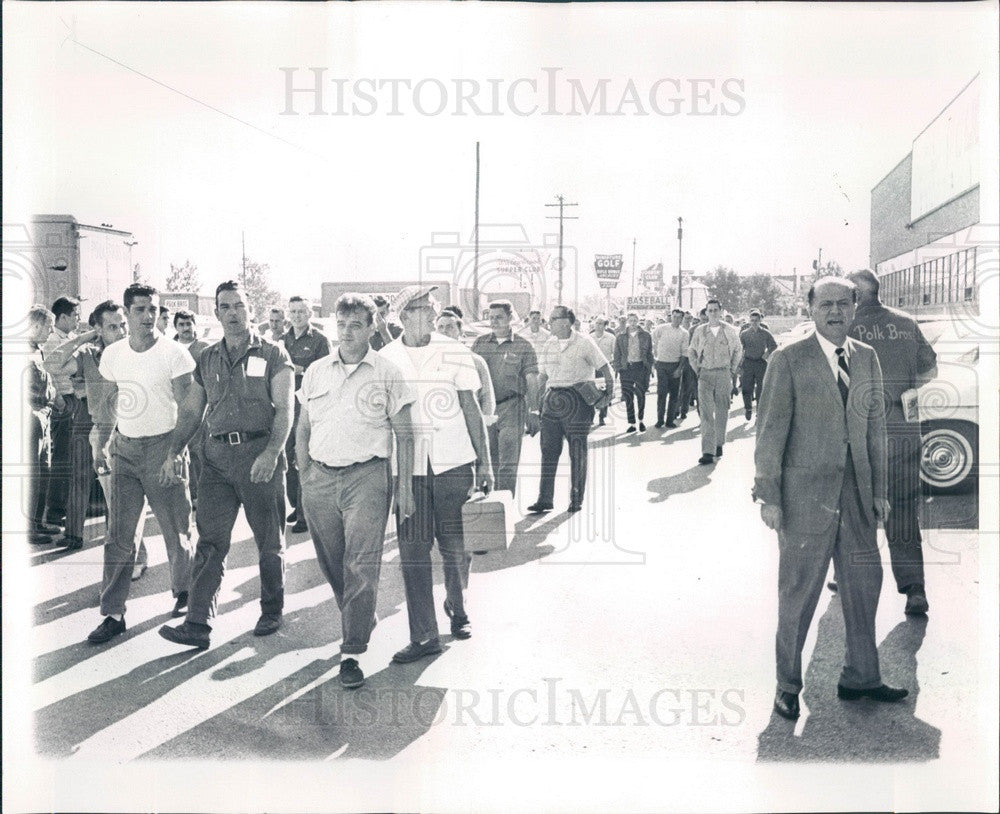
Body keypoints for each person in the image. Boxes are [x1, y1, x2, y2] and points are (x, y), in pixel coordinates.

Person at [755, 276, 906, 722]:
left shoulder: (867, 358)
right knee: (798, 595)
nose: (835, 312)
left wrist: (878, 492)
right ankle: (786, 686)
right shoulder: (788, 359)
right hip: (804, 500)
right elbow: (769, 436)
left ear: (855, 308)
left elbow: (875, 430)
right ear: (811, 309)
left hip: (857, 496)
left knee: (863, 588)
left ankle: (861, 676)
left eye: (843, 304)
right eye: (826, 305)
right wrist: (769, 496)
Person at [159, 280, 294, 649]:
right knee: (211, 542)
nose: (233, 313)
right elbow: (191, 408)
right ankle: (198, 622)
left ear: (250, 310)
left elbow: (285, 409)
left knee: (268, 540)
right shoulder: (207, 358)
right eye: (225, 307)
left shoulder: (274, 354)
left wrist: (272, 453)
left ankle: (271, 609)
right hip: (216, 461)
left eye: (239, 306)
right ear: (216, 313)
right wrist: (175, 449)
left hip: (258, 457)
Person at [296, 293, 416, 688]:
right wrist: (304, 471)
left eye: (355, 326)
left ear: (370, 328)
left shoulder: (387, 372)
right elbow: (303, 426)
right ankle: (360, 614)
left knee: (361, 565)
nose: (347, 333)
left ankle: (352, 651)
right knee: (333, 562)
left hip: (367, 477)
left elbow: (405, 434)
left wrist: (405, 489)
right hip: (320, 479)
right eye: (341, 325)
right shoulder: (315, 371)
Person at [379, 285, 493, 663]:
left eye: (432, 307)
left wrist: (485, 462)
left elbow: (471, 408)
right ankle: (424, 635)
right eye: (425, 308)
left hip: (454, 464)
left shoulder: (455, 350)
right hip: (407, 469)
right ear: (405, 315)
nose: (433, 313)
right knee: (413, 552)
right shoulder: (385, 358)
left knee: (456, 548)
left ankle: (457, 606)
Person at [87, 284, 197, 644]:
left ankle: (184, 594)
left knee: (176, 530)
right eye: (140, 310)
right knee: (119, 536)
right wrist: (102, 442)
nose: (148, 316)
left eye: (153, 309)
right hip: (126, 451)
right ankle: (113, 614)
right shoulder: (113, 355)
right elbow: (108, 403)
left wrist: (176, 452)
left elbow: (191, 408)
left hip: (164, 447)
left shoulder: (175, 354)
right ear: (126, 312)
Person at [848, 268, 938, 616]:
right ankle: (914, 589)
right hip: (903, 432)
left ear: (856, 295)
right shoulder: (906, 322)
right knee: (903, 509)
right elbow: (930, 370)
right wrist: (907, 390)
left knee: (856, 507)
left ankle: (852, 577)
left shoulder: (846, 328)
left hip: (860, 435)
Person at [529, 305, 613, 513]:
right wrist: (537, 404)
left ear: (566, 322)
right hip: (552, 399)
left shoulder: (584, 342)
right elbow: (542, 376)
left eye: (553, 318)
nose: (548, 322)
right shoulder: (549, 343)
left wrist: (607, 396)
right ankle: (545, 499)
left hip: (577, 400)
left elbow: (605, 368)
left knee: (577, 452)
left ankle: (576, 499)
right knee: (548, 450)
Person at [471, 300, 541, 493]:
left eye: (499, 317)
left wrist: (534, 410)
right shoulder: (479, 343)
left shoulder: (523, 346)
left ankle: (505, 505)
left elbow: (531, 380)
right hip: (486, 408)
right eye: (491, 318)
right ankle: (491, 504)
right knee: (489, 460)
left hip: (512, 407)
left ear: (510, 318)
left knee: (508, 463)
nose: (494, 322)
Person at [282, 296, 332, 533]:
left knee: (304, 458)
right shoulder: (282, 341)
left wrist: (300, 369)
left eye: (301, 311)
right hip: (284, 405)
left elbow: (327, 372)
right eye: (293, 311)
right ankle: (296, 504)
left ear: (309, 314)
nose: (297, 315)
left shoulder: (320, 341)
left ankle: (305, 514)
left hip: (308, 407)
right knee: (287, 458)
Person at [41, 295, 82, 528]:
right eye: (75, 315)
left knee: (75, 456)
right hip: (63, 403)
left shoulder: (73, 338)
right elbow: (50, 374)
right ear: (63, 317)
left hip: (75, 398)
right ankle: (55, 511)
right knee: (63, 457)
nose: (78, 319)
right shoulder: (52, 341)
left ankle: (67, 507)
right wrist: (60, 403)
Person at [688, 299, 742, 464]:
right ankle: (708, 451)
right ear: (706, 312)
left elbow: (738, 350)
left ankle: (719, 443)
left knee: (721, 411)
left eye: (715, 310)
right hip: (705, 375)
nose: (712, 313)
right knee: (705, 413)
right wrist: (697, 368)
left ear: (721, 311)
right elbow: (691, 351)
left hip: (723, 374)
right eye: (709, 310)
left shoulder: (730, 330)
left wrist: (732, 370)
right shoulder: (700, 331)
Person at [24, 305, 60, 544]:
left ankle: (37, 523)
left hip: (44, 414)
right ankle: (28, 527)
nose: (50, 331)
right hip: (31, 415)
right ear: (35, 325)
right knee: (32, 474)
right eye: (48, 326)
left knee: (43, 471)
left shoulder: (38, 351)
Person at [172, 309, 210, 507]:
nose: (186, 328)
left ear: (195, 325)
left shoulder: (205, 348)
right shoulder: (170, 347)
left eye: (189, 324)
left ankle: (201, 496)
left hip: (199, 409)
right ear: (175, 327)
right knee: (177, 450)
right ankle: (186, 495)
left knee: (199, 453)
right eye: (181, 325)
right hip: (173, 409)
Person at [437, 309, 498, 428]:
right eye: (441, 327)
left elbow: (486, 395)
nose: (444, 331)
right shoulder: (430, 360)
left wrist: (483, 424)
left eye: (450, 327)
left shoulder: (475, 361)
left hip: (469, 424)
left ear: (459, 331)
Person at [613, 313, 654, 433]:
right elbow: (617, 354)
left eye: (635, 320)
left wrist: (650, 367)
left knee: (641, 395)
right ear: (627, 322)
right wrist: (618, 368)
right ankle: (632, 423)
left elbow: (649, 353)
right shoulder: (621, 337)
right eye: (630, 320)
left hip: (641, 367)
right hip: (626, 368)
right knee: (628, 396)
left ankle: (641, 421)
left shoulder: (646, 335)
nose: (632, 323)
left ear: (638, 321)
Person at [652, 308, 690, 429]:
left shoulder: (684, 333)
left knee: (674, 395)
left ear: (682, 319)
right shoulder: (661, 328)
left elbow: (685, 353)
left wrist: (679, 369)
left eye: (679, 317)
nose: (676, 319)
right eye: (674, 316)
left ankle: (670, 420)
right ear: (671, 316)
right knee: (662, 394)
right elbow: (652, 341)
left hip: (675, 365)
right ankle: (660, 420)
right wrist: (654, 358)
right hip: (662, 364)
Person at [739, 309, 777, 421]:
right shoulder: (744, 334)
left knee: (761, 388)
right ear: (749, 321)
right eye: (752, 320)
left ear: (760, 321)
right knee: (746, 388)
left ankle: (759, 413)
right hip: (748, 362)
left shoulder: (765, 333)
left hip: (760, 363)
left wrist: (766, 354)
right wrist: (739, 365)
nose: (754, 323)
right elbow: (740, 349)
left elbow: (773, 346)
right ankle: (748, 408)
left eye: (756, 320)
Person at [589, 317, 616, 426]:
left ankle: (602, 417)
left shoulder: (611, 338)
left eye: (601, 324)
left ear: (605, 326)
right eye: (597, 323)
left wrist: (612, 368)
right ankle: (590, 417)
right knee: (590, 392)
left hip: (605, 369)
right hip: (592, 369)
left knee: (605, 392)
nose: (598, 325)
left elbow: (615, 353)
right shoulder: (589, 338)